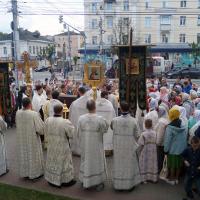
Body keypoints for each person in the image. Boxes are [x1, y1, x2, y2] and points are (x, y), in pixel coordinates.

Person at [78, 99, 109, 190]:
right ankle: (97, 182)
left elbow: (78, 132)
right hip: (96, 145)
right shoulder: (100, 119)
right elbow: (105, 129)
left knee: (86, 160)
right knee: (97, 162)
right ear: (95, 107)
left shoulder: (81, 118)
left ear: (87, 108)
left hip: (85, 144)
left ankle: (85, 180)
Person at [111, 102, 141, 190]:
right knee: (129, 164)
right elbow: (138, 134)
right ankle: (129, 185)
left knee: (119, 164)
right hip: (129, 146)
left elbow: (112, 127)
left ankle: (118, 185)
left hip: (118, 146)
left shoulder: (115, 120)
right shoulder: (134, 120)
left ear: (121, 108)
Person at [45, 104, 76, 187]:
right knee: (65, 163)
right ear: (62, 111)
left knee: (52, 161)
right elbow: (72, 134)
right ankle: (66, 181)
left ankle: (52, 179)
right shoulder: (65, 122)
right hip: (62, 146)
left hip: (51, 145)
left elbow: (45, 131)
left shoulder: (48, 120)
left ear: (54, 110)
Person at [16, 97, 44, 179]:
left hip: (22, 138)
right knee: (33, 155)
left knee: (24, 154)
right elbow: (40, 129)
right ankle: (35, 174)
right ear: (29, 104)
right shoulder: (33, 114)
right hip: (32, 139)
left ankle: (25, 173)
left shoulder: (18, 113)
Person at [164, 107, 187, 185]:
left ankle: (171, 179)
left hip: (172, 150)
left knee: (172, 165)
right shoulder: (183, 124)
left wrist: (166, 149)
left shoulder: (169, 127)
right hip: (181, 149)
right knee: (178, 165)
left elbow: (167, 140)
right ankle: (176, 179)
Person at [69, 87, 90, 155]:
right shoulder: (90, 101)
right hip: (87, 123)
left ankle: (76, 150)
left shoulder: (75, 103)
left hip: (77, 121)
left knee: (78, 134)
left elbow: (71, 114)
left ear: (79, 92)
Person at [96, 91, 116, 156]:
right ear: (105, 96)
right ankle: (107, 150)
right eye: (107, 96)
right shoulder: (109, 104)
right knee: (107, 136)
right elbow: (113, 115)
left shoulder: (96, 103)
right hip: (107, 125)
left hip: (97, 125)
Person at [138, 119, 158, 183]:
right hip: (153, 151)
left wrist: (139, 152)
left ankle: (144, 179)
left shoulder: (143, 134)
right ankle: (153, 178)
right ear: (152, 125)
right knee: (152, 163)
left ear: (145, 125)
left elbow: (140, 143)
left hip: (145, 150)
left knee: (144, 163)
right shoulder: (155, 133)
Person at [155, 104, 169, 173]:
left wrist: (157, 143)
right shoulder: (167, 119)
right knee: (163, 157)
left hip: (161, 143)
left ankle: (159, 170)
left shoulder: (161, 122)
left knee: (160, 158)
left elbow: (160, 134)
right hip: (166, 142)